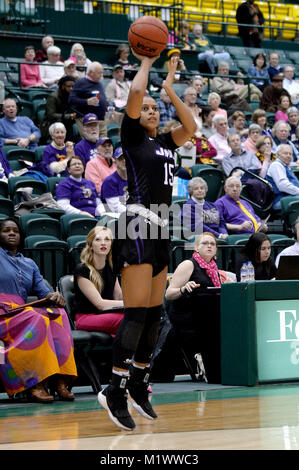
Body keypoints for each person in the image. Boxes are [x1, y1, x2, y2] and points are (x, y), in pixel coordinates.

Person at [97, 51, 196, 431]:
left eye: (157, 108)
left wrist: (170, 88)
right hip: (137, 223)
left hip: (161, 228)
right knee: (137, 312)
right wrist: (147, 63)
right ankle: (114, 389)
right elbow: (136, 92)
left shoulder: (168, 143)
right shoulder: (132, 136)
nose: (152, 110)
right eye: (149, 107)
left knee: (155, 314)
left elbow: (191, 125)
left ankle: (138, 383)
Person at [0, 217, 77, 402]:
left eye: (15, 231)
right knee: (36, 318)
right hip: (3, 315)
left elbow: (43, 292)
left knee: (58, 315)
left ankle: (60, 381)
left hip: (21, 312)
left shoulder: (29, 264)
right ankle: (36, 383)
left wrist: (54, 296)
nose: (12, 233)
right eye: (6, 230)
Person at [165, 232, 228, 384]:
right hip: (186, 316)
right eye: (205, 243)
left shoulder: (213, 268)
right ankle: (211, 370)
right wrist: (183, 288)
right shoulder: (188, 264)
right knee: (214, 322)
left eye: (212, 244)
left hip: (206, 314)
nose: (209, 246)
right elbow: (169, 293)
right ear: (196, 248)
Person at [73, 225, 124, 334]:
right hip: (86, 317)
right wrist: (130, 304)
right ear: (91, 245)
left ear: (111, 245)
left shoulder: (110, 268)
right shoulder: (82, 270)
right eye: (98, 239)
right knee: (127, 319)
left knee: (141, 315)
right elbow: (100, 304)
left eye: (107, 239)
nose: (103, 243)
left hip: (107, 314)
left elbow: (118, 296)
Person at [68, 61, 108, 138]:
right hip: (87, 121)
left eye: (102, 73)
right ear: (90, 72)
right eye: (99, 73)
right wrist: (86, 101)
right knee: (90, 145)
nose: (101, 75)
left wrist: (108, 106)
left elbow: (103, 99)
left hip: (101, 121)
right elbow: (71, 100)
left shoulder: (99, 83)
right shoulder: (81, 82)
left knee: (103, 144)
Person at [40, 75, 77, 144]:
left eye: (73, 87)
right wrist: (69, 116)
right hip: (52, 124)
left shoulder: (72, 96)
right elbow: (50, 115)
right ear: (63, 86)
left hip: (67, 124)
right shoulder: (53, 96)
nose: (71, 89)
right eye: (68, 86)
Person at [266, 144, 299, 210]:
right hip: (280, 200)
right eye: (285, 153)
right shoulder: (276, 165)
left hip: (290, 196)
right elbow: (283, 186)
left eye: (290, 154)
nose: (288, 156)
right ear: (277, 155)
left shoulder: (285, 166)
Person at [101, 146, 128, 214]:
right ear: (115, 161)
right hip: (116, 217)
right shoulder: (109, 181)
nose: (124, 161)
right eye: (120, 159)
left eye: (126, 158)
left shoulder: (135, 178)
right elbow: (115, 207)